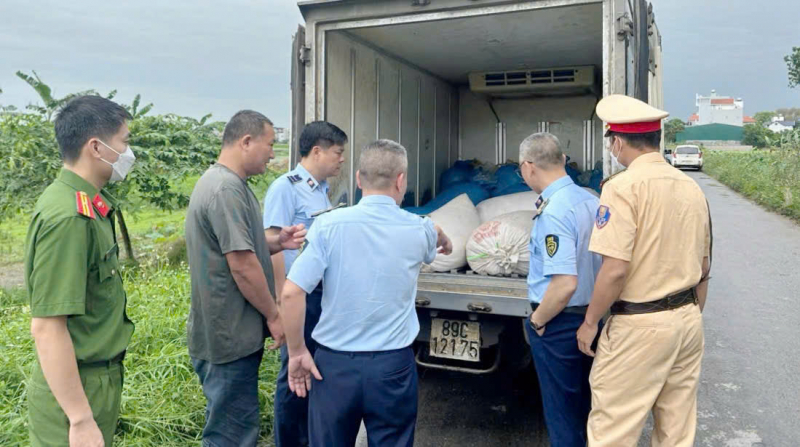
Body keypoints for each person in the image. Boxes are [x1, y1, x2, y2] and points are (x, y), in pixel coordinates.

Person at [279, 139, 453, 447]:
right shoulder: (419, 229)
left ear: (358, 179)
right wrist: (443, 236)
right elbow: (434, 235)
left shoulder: (328, 226)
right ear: (401, 180)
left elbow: (291, 293)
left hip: (332, 369)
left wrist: (297, 353)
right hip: (392, 368)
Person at [576, 94, 712, 446]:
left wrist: (590, 323)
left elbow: (615, 269)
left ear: (617, 142)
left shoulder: (622, 188)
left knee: (614, 430)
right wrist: (688, 316)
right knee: (676, 429)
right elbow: (704, 265)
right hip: (687, 320)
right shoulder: (691, 188)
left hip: (639, 325)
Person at [184, 110, 306, 447]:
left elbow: (239, 243)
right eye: (269, 144)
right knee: (231, 435)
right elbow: (241, 263)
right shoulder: (225, 189)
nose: (272, 152)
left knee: (235, 427)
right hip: (227, 337)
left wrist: (277, 241)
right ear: (246, 141)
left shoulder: (230, 184)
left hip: (229, 334)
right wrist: (274, 314)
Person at [24, 95, 135, 447]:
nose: (128, 153)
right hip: (77, 390)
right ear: (96, 147)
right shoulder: (69, 218)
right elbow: (47, 326)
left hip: (92, 382)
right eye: (124, 142)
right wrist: (80, 417)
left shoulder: (87, 205)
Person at [262, 121, 347, 447]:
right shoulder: (286, 187)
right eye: (338, 153)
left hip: (320, 296)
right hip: (299, 297)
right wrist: (281, 304)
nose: (341, 160)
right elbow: (274, 246)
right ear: (317, 151)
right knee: (293, 373)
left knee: (313, 369)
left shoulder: (322, 189)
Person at [519, 133, 603, 447]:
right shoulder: (590, 200)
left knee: (562, 413)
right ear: (564, 161)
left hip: (559, 324)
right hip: (590, 319)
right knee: (584, 406)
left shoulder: (553, 212)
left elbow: (565, 283)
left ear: (528, 168)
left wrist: (538, 320)